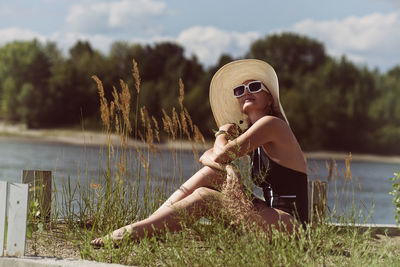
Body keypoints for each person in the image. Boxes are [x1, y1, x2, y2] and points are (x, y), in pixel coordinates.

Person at [91, 59, 308, 246]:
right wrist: (229, 169)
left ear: (270, 99)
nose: (246, 93)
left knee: (204, 197)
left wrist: (221, 133)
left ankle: (133, 232)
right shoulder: (256, 135)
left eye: (254, 86)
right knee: (212, 174)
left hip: (291, 228)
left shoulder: (272, 125)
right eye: (240, 91)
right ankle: (149, 226)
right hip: (269, 218)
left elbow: (221, 154)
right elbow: (208, 157)